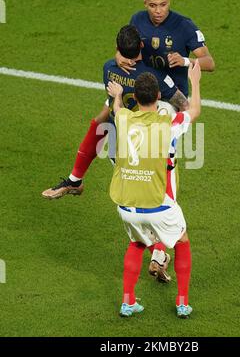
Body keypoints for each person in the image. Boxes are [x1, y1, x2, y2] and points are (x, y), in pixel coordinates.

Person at [42, 25, 189, 282]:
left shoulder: (109, 67)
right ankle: (159, 254)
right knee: (163, 196)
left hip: (120, 148)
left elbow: (110, 107)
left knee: (138, 197)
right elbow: (183, 103)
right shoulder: (152, 77)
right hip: (151, 149)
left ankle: (75, 180)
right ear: (141, 47)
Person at [107, 59, 202, 318]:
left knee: (137, 242)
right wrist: (194, 81)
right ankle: (182, 302)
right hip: (158, 204)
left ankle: (127, 302)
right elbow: (194, 112)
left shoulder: (124, 118)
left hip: (126, 205)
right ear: (159, 96)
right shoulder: (167, 125)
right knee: (182, 241)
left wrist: (116, 96)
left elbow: (116, 109)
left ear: (134, 97)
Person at [117, 0, 214, 98]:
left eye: (163, 5)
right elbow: (127, 44)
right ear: (145, 3)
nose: (158, 11)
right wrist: (120, 56)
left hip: (174, 95)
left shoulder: (184, 26)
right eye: (153, 5)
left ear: (169, 2)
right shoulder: (137, 20)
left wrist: (184, 61)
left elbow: (209, 63)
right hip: (144, 93)